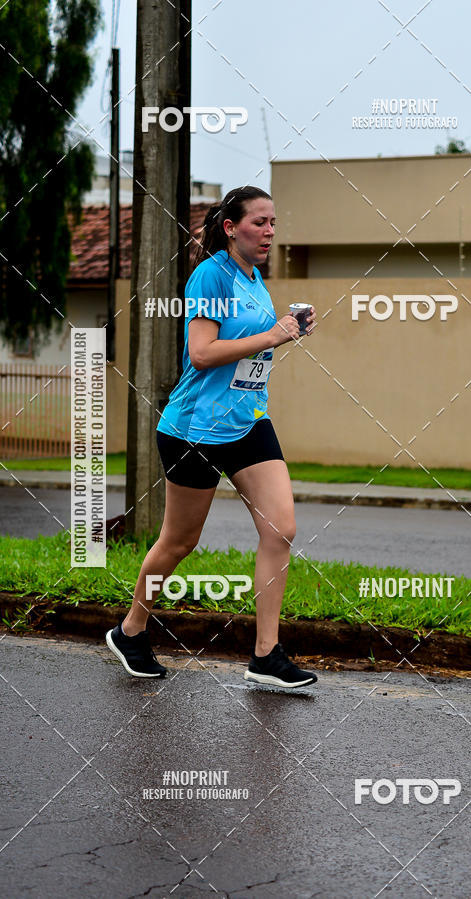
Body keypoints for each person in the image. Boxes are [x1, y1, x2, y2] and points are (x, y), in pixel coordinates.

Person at [105, 186, 317, 689]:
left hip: (248, 421)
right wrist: (272, 335)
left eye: (273, 222)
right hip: (195, 429)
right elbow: (201, 354)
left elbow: (249, 349)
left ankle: (266, 655)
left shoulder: (255, 279)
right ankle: (130, 631)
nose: (269, 231)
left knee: (281, 529)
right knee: (179, 540)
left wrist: (288, 330)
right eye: (259, 222)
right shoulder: (210, 275)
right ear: (230, 227)